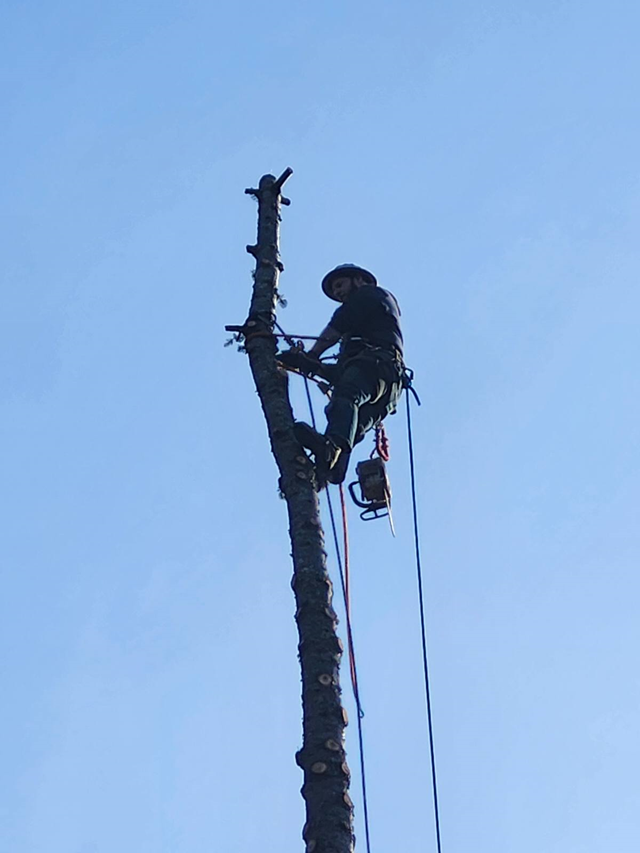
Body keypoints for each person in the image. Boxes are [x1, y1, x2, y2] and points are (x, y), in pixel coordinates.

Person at [278, 264, 405, 484]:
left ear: (358, 279)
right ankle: (328, 472)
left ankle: (331, 450)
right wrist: (310, 366)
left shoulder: (369, 295)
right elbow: (344, 372)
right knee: (350, 424)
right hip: (388, 387)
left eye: (340, 285)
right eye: (335, 291)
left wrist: (313, 354)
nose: (338, 293)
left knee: (345, 398)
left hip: (377, 367)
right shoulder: (367, 333)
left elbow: (339, 325)